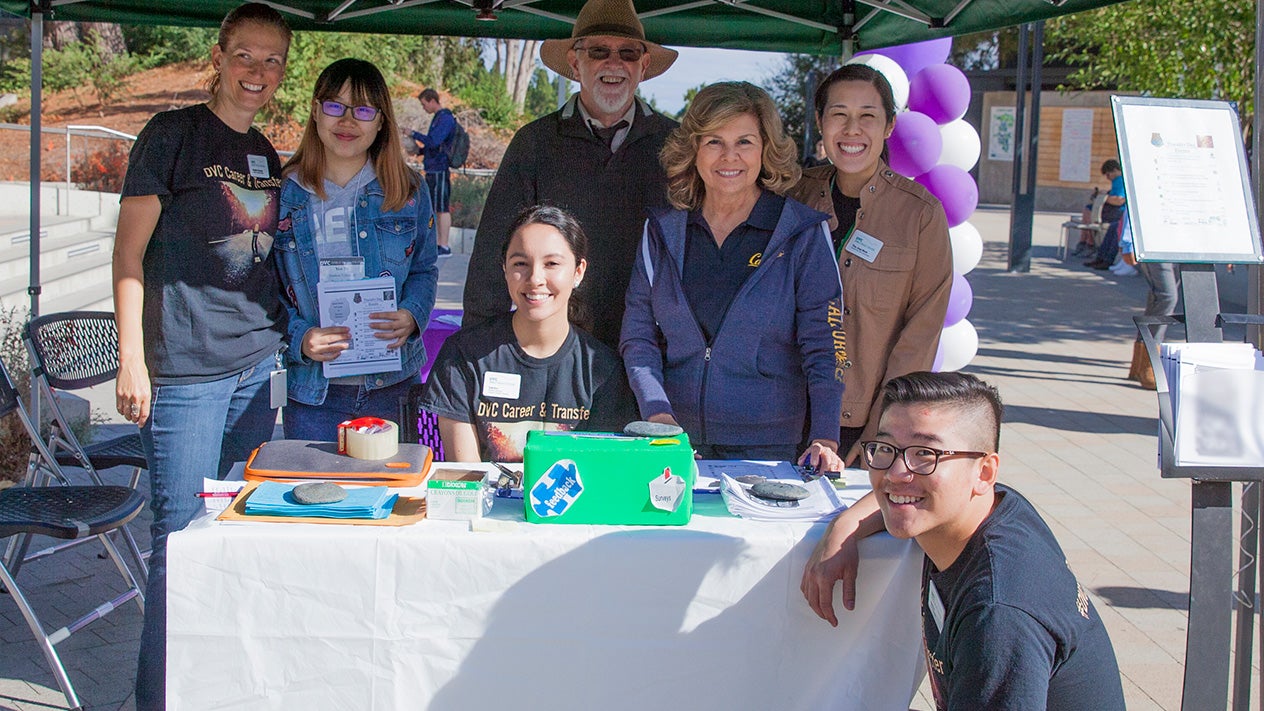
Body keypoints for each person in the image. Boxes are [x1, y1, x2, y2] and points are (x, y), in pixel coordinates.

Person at [110, 4, 291, 708]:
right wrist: (132, 358)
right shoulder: (173, 135)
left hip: (256, 369)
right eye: (246, 54)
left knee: (230, 540)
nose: (258, 71)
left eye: (272, 60)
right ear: (219, 56)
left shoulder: (265, 154)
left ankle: (210, 688)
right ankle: (157, 697)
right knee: (179, 544)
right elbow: (128, 252)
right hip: (185, 374)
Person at [807, 371, 1126, 709]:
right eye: (886, 449)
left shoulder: (998, 615)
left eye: (925, 454)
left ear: (984, 472)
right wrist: (842, 530)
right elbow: (894, 496)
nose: (896, 473)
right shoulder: (994, 506)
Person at [620, 81, 845, 469]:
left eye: (744, 142)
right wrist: (657, 414)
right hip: (674, 444)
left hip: (771, 450)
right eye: (714, 142)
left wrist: (825, 436)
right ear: (693, 148)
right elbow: (638, 336)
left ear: (765, 150)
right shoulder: (662, 230)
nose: (729, 157)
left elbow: (827, 344)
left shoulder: (801, 233)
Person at [461, 0, 679, 349]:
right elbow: (493, 254)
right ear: (575, 64)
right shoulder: (534, 143)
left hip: (652, 351)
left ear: (644, 65)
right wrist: (475, 353)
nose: (614, 63)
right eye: (598, 51)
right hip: (553, 350)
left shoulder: (678, 146)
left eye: (627, 53)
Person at [786, 63, 952, 465]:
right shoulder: (791, 195)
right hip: (781, 412)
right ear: (821, 122)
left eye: (868, 116)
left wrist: (882, 430)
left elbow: (919, 336)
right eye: (839, 114)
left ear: (890, 126)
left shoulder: (920, 215)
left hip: (862, 426)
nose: (852, 129)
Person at [274, 58, 438, 439]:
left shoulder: (409, 192)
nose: (347, 122)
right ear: (316, 112)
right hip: (313, 393)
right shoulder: (284, 193)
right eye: (335, 106)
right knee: (316, 496)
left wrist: (412, 315)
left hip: (393, 387)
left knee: (391, 497)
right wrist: (299, 336)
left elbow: (424, 270)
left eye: (363, 110)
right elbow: (264, 287)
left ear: (381, 121)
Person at [420, 204, 638, 462]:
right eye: (520, 263)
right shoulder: (462, 356)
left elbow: (601, 474)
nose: (535, 278)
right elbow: (467, 480)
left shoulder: (603, 369)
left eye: (552, 263)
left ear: (578, 271)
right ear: (504, 268)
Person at [1119, 209, 1178, 389]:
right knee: (1168, 297)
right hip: (1153, 241)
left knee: (1158, 299)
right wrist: (1128, 242)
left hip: (1181, 242)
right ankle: (1150, 363)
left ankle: (1139, 365)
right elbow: (1134, 203)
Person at [408, 87, 454, 256]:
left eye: (424, 104)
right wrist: (419, 151)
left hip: (440, 169)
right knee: (434, 206)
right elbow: (433, 145)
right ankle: (438, 243)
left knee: (442, 207)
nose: (424, 108)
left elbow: (434, 142)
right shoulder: (439, 118)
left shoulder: (446, 119)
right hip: (433, 168)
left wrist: (414, 134)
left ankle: (444, 244)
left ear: (432, 100)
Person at [1085, 159, 1127, 270]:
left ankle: (1106, 260)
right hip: (1117, 215)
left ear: (1115, 170)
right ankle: (1101, 258)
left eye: (1108, 174)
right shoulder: (1117, 182)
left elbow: (1120, 200)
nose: (1107, 178)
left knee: (1115, 228)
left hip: (1119, 213)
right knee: (1112, 228)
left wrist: (1102, 197)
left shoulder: (1120, 180)